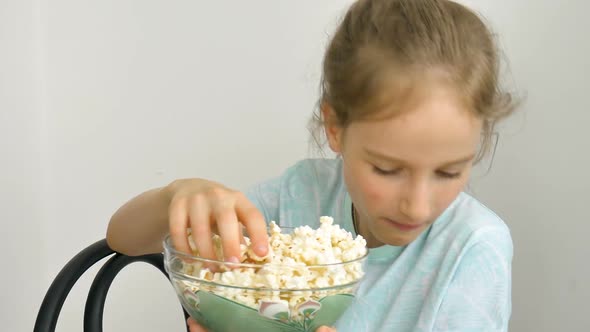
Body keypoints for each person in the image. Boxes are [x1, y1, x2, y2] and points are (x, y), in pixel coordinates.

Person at [107, 0, 519, 331]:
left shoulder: (473, 247)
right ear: (335, 127)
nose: (418, 205)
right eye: (387, 170)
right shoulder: (299, 195)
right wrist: (176, 196)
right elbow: (124, 239)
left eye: (448, 172)